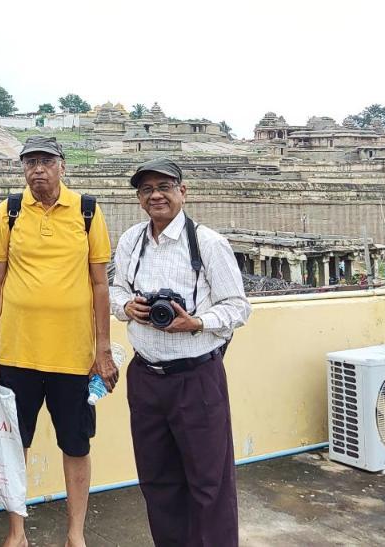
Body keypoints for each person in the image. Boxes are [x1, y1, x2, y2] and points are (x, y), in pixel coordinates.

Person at [0, 136, 116, 547]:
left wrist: (104, 350)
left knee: (76, 445)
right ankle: (16, 531)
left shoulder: (88, 212)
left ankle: (75, 533)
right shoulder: (9, 211)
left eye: (46, 161)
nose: (37, 169)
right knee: (15, 445)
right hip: (18, 353)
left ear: (62, 166)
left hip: (73, 357)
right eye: (30, 162)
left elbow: (100, 285)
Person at [112, 157, 251, 547]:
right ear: (140, 199)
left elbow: (238, 306)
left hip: (196, 378)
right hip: (146, 378)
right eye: (146, 190)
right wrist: (127, 307)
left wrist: (197, 322)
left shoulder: (207, 243)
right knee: (157, 481)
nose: (155, 195)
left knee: (209, 484)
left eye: (164, 187)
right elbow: (116, 291)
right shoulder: (131, 241)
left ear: (182, 192)